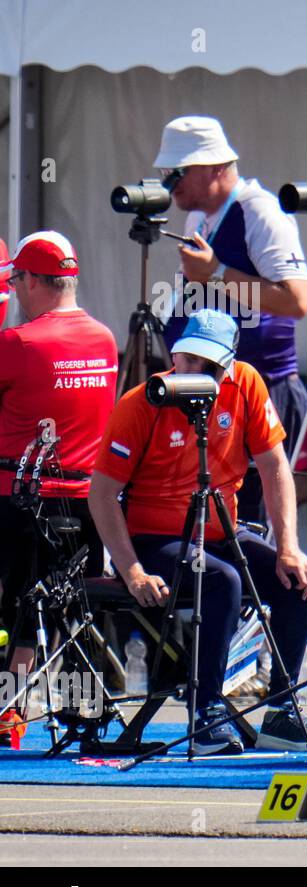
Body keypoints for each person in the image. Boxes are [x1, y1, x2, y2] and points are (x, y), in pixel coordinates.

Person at [88, 310, 307, 755]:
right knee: (223, 580)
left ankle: (281, 711)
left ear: (229, 365)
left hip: (220, 531)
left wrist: (288, 548)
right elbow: (102, 494)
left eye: (209, 366)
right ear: (175, 356)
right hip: (154, 538)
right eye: (189, 361)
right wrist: (133, 570)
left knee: (295, 581)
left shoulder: (247, 384)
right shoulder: (140, 403)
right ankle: (207, 714)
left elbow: (276, 467)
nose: (196, 374)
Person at [155, 116, 307, 521]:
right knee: (215, 514)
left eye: (180, 171)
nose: (171, 183)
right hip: (212, 393)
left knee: (257, 517)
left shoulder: (260, 213)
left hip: (261, 390)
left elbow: (296, 301)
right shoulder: (197, 219)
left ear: (218, 167)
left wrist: (218, 274)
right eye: (166, 173)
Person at [0, 232, 117, 683]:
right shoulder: (104, 340)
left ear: (32, 281)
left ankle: (11, 706)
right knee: (70, 612)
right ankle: (78, 701)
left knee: (19, 616)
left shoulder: (19, 343)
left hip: (21, 502)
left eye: (16, 282)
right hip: (88, 506)